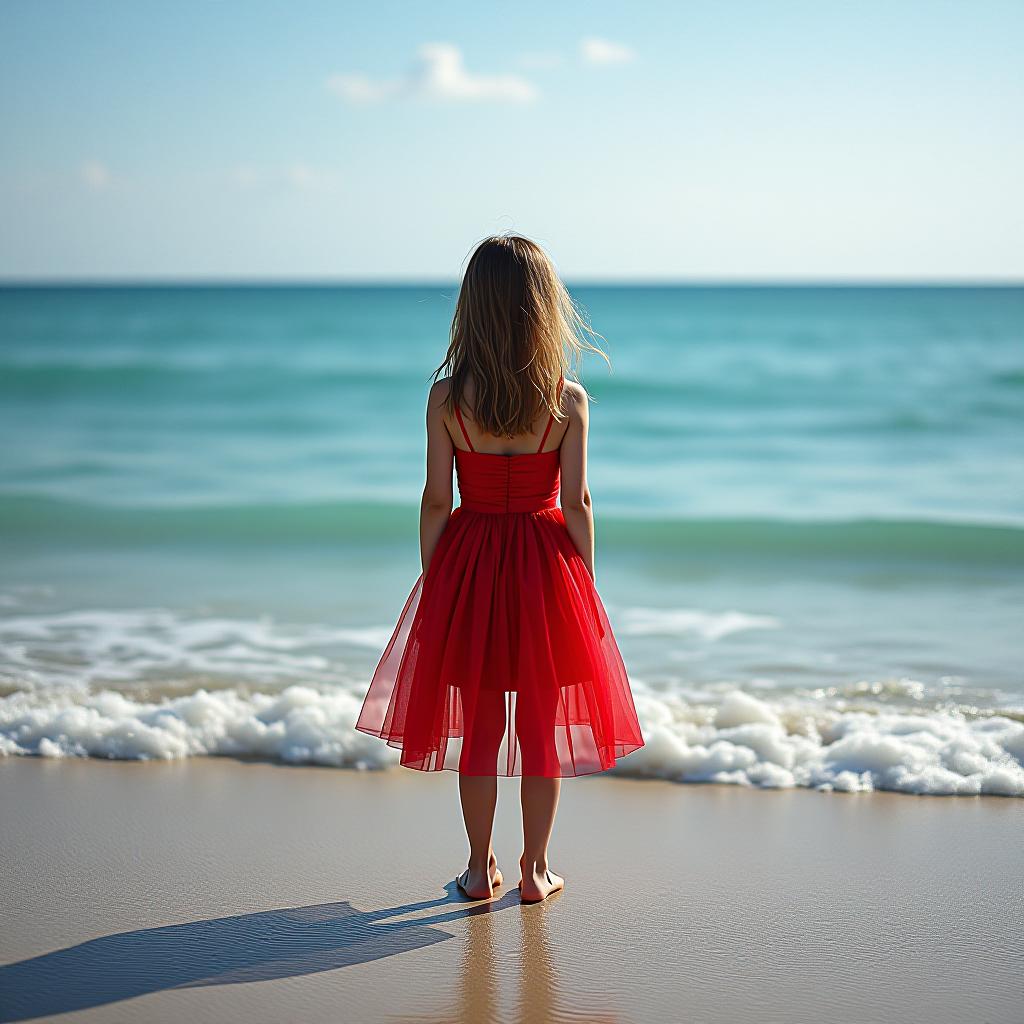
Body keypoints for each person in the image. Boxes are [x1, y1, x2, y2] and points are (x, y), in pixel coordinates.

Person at [356, 234, 644, 904]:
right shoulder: (566, 401)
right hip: (547, 571)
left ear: (472, 309)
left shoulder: (447, 399)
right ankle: (535, 871)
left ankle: (477, 867)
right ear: (543, 308)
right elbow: (578, 502)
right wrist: (587, 590)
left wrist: (437, 584)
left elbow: (435, 499)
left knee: (481, 728)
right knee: (540, 726)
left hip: (472, 565)